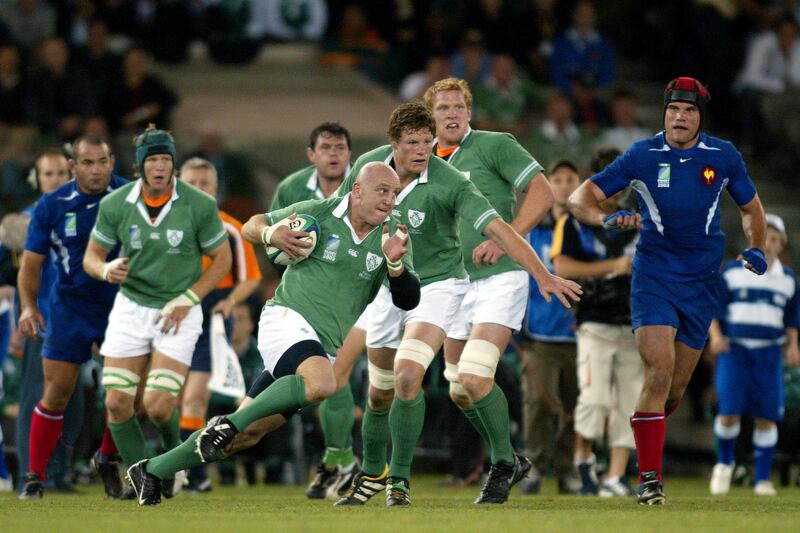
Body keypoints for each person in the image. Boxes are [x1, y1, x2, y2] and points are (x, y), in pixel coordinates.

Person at [124, 161, 419, 506]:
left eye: (395, 193)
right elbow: (253, 224)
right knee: (322, 384)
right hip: (285, 320)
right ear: (356, 190)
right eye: (382, 191)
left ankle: (153, 469)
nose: (390, 200)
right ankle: (228, 424)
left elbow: (408, 299)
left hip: (322, 345)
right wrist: (271, 234)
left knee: (248, 435)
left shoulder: (392, 235)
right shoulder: (319, 213)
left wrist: (395, 265)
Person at [333, 101, 580, 507]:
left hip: (438, 286)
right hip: (387, 283)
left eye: (427, 142)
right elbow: (337, 219)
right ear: (392, 143)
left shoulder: (450, 180)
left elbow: (498, 228)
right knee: (379, 392)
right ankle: (372, 473)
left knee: (410, 375)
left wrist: (542, 274)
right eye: (412, 143)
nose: (422, 151)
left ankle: (400, 481)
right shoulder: (368, 169)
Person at [567, 76, 767, 505]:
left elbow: (751, 208)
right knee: (657, 369)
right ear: (664, 113)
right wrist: (602, 219)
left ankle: (642, 439)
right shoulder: (641, 155)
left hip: (700, 282)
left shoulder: (723, 156)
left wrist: (757, 248)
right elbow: (581, 198)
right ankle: (649, 480)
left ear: (700, 117)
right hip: (654, 276)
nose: (680, 117)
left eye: (689, 111)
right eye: (674, 109)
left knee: (673, 389)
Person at [423, 77, 555, 504]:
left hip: (500, 278)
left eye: (459, 106)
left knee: (476, 374)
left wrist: (505, 239)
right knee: (458, 386)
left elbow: (543, 191)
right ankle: (509, 456)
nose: (452, 113)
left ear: (469, 111)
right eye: (443, 108)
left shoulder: (495, 144)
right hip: (451, 284)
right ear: (431, 116)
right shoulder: (419, 161)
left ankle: (502, 462)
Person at [82, 125, 232, 500]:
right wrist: (104, 270)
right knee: (116, 402)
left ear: (173, 164)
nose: (160, 166)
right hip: (131, 308)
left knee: (159, 406)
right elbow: (92, 256)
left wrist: (189, 298)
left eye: (166, 159)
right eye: (153, 160)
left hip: (177, 311)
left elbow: (222, 259)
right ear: (140, 166)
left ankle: (173, 461)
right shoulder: (115, 204)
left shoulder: (198, 204)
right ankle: (143, 477)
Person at [16, 135, 128, 500]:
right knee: (57, 392)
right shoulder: (52, 205)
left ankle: (107, 459)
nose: (96, 170)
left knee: (124, 395)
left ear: (112, 162)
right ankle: (34, 476)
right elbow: (30, 265)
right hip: (69, 307)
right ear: (73, 166)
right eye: (87, 163)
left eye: (102, 162)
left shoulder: (133, 196)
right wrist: (30, 307)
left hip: (122, 306)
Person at [270, 122, 363, 500]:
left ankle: (345, 462)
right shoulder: (291, 189)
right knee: (327, 377)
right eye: (325, 147)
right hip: (307, 297)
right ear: (311, 155)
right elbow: (271, 242)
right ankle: (340, 460)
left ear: (350, 154)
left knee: (346, 377)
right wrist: (290, 250)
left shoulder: (365, 184)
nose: (333, 153)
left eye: (340, 147)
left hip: (360, 296)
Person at [553, 148, 643, 497]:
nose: (615, 192)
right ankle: (583, 458)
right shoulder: (573, 221)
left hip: (633, 320)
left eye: (621, 184)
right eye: (609, 183)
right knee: (594, 398)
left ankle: (616, 475)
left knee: (630, 402)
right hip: (593, 320)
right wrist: (612, 268)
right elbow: (562, 267)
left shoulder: (639, 220)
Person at [178, 157, 262, 492]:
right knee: (163, 400)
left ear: (216, 189)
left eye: (205, 184)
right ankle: (172, 465)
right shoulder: (167, 227)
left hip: (211, 317)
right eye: (192, 184)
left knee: (195, 398)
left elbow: (250, 278)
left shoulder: (229, 228)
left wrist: (231, 301)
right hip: (172, 315)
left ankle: (192, 473)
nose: (199, 190)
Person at [708, 213, 799, 496]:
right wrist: (716, 337)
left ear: (780, 244)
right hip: (735, 350)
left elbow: (792, 318)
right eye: (763, 237)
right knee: (728, 414)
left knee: (767, 416)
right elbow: (714, 307)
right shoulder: (733, 271)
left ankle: (762, 478)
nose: (768, 244)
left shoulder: (788, 280)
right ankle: (724, 464)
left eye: (773, 239)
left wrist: (793, 345)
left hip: (769, 353)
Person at [12, 148, 71, 492]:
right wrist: (24, 307)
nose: (55, 180)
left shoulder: (81, 210)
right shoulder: (28, 218)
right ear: (38, 179)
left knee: (71, 402)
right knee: (37, 396)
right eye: (49, 174)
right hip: (43, 318)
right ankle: (29, 476)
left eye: (61, 174)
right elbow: (15, 269)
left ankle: (60, 474)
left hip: (75, 319)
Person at [521, 160, 582, 495]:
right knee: (539, 403)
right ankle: (533, 466)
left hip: (579, 333)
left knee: (577, 406)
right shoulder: (533, 230)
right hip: (540, 333)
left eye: (569, 179)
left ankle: (568, 468)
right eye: (555, 179)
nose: (562, 185)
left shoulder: (585, 230)